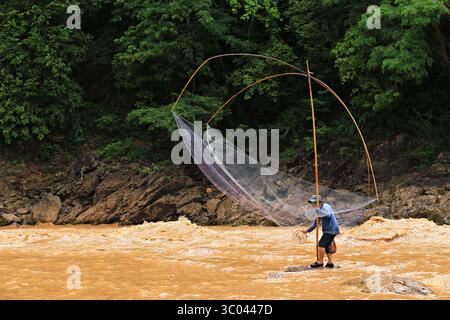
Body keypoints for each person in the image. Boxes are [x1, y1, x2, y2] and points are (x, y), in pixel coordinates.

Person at [302, 195, 340, 268]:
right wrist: (306, 231)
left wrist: (319, 211)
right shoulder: (319, 210)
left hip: (331, 229)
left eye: (314, 203)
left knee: (321, 244)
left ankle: (320, 262)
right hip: (330, 230)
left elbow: (328, 215)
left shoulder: (325, 206)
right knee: (327, 246)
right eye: (312, 203)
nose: (313, 205)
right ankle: (330, 263)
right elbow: (315, 224)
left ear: (318, 202)